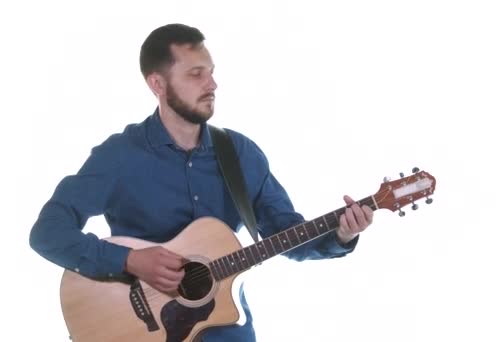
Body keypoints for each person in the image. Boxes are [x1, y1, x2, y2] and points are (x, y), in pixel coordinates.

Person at [29, 23, 373, 342]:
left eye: (211, 73)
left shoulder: (240, 153)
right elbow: (47, 233)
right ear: (157, 84)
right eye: (196, 74)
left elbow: (285, 231)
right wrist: (129, 260)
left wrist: (341, 234)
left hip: (227, 330)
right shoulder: (119, 155)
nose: (212, 85)